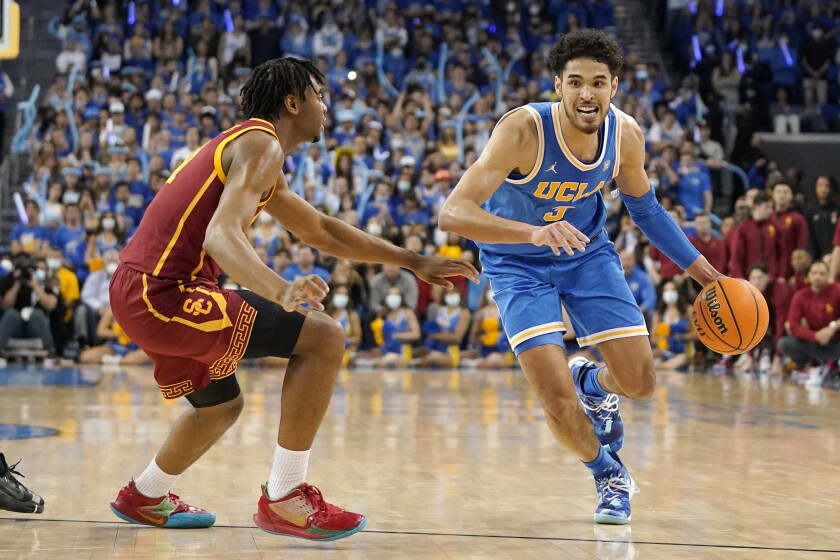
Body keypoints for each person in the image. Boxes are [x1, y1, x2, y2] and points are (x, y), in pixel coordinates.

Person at [107, 58, 477, 540]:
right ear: (292, 102)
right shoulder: (261, 142)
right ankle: (286, 498)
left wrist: (411, 259)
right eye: (319, 96)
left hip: (139, 291)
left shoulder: (253, 151)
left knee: (220, 406)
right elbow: (221, 236)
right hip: (162, 292)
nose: (325, 107)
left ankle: (144, 494)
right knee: (323, 337)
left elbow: (320, 229)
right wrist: (279, 289)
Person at [439, 29, 723, 525]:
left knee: (640, 383)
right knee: (553, 396)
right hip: (517, 263)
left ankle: (594, 383)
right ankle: (608, 475)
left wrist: (707, 275)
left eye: (598, 82)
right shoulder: (522, 130)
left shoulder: (625, 135)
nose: (586, 93)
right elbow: (454, 213)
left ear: (614, 87)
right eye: (575, 82)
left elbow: (648, 211)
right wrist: (534, 234)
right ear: (558, 86)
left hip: (587, 254)